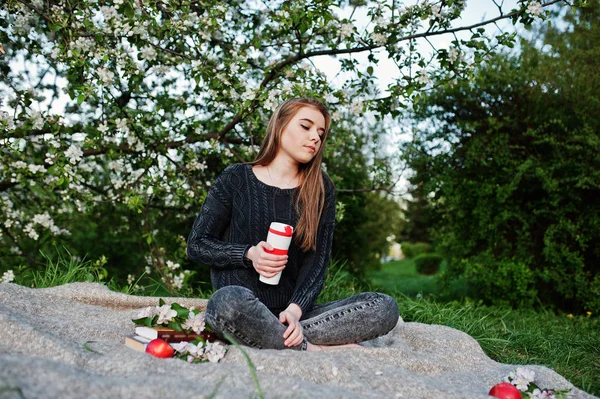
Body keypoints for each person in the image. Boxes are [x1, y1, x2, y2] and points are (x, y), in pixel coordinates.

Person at [187, 97, 399, 351]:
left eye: (321, 133)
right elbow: (197, 245)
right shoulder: (236, 178)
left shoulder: (321, 189)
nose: (315, 138)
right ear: (280, 126)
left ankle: (281, 336)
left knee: (384, 307)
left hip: (295, 314)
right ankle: (310, 347)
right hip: (243, 305)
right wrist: (248, 254)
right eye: (306, 127)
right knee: (226, 304)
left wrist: (295, 311)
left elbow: (316, 262)